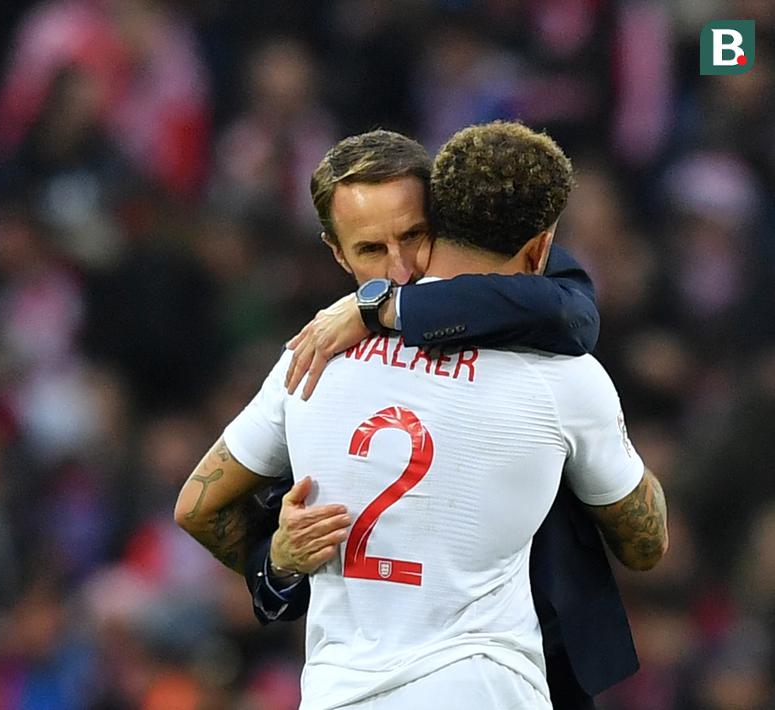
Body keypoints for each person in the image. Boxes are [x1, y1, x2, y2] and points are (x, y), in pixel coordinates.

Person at [174, 122, 668, 708]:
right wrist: (279, 562)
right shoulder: (560, 373)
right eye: (372, 250)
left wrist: (387, 308)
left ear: (442, 217)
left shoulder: (312, 356)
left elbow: (200, 505)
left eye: (414, 235)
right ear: (337, 253)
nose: (403, 268)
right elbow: (645, 543)